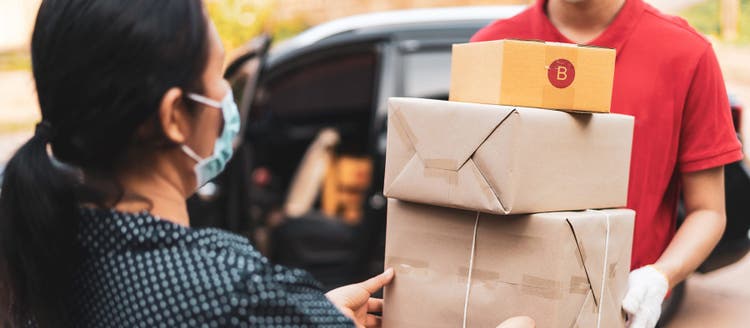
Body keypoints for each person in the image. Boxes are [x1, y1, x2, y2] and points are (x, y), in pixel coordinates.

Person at [0, 1, 393, 327]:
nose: (227, 93)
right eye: (218, 74)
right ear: (173, 116)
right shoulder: (234, 293)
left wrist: (315, 316)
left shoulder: (40, 243)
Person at [471, 0, 742, 327]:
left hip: (616, 310)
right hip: (504, 312)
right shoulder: (491, 48)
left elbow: (709, 211)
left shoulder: (685, 52)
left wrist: (659, 276)